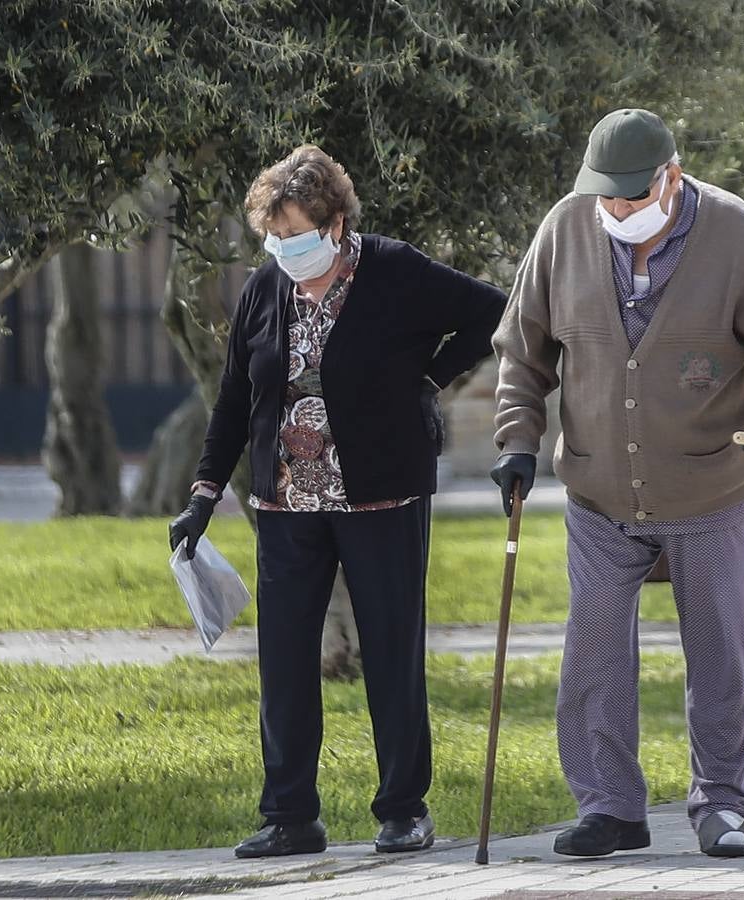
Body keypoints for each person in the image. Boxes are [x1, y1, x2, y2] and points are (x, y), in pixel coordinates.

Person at [490, 109, 744, 858]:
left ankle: (720, 807)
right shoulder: (566, 229)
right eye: (605, 197)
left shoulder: (737, 236)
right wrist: (517, 438)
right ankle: (611, 808)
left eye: (632, 198)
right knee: (594, 654)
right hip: (599, 495)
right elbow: (523, 348)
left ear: (671, 177)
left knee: (717, 654)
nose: (615, 211)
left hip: (711, 487)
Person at [169, 144, 506, 859]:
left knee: (391, 652)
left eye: (296, 233)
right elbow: (235, 398)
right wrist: (203, 494)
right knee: (285, 660)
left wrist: (430, 376)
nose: (284, 247)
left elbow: (493, 312)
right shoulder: (266, 289)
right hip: (287, 504)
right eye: (275, 234)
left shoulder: (394, 270)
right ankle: (290, 815)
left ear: (336, 223)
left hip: (383, 497)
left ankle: (403, 810)